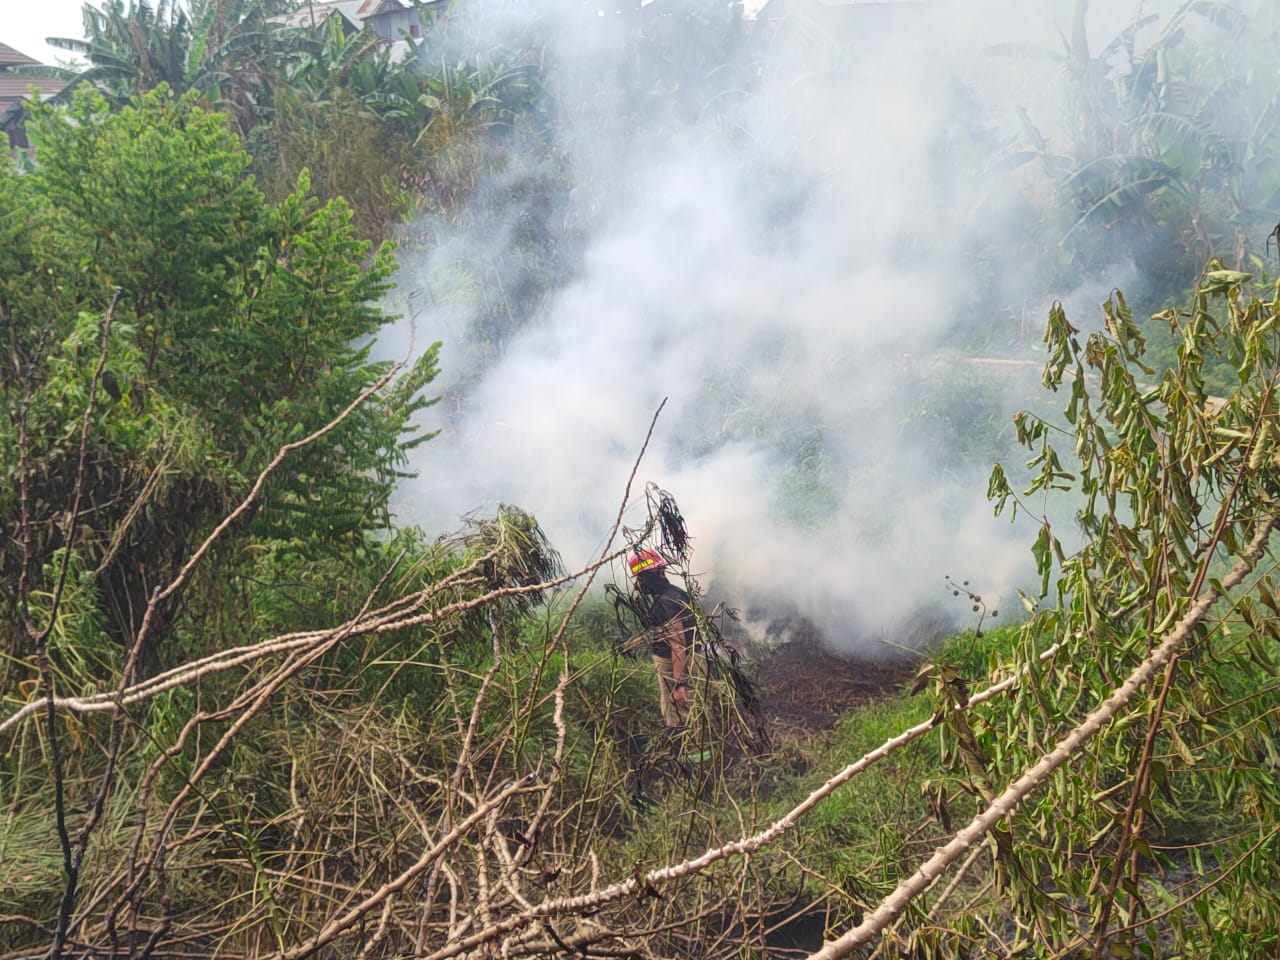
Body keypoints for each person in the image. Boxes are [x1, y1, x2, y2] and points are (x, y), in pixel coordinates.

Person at [629, 548, 698, 729]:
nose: (639, 584)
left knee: (678, 712)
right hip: (690, 660)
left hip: (675, 665)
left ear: (652, 576)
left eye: (641, 579)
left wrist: (678, 684)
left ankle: (687, 753)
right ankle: (695, 750)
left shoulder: (665, 602)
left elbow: (678, 645)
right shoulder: (675, 593)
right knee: (693, 710)